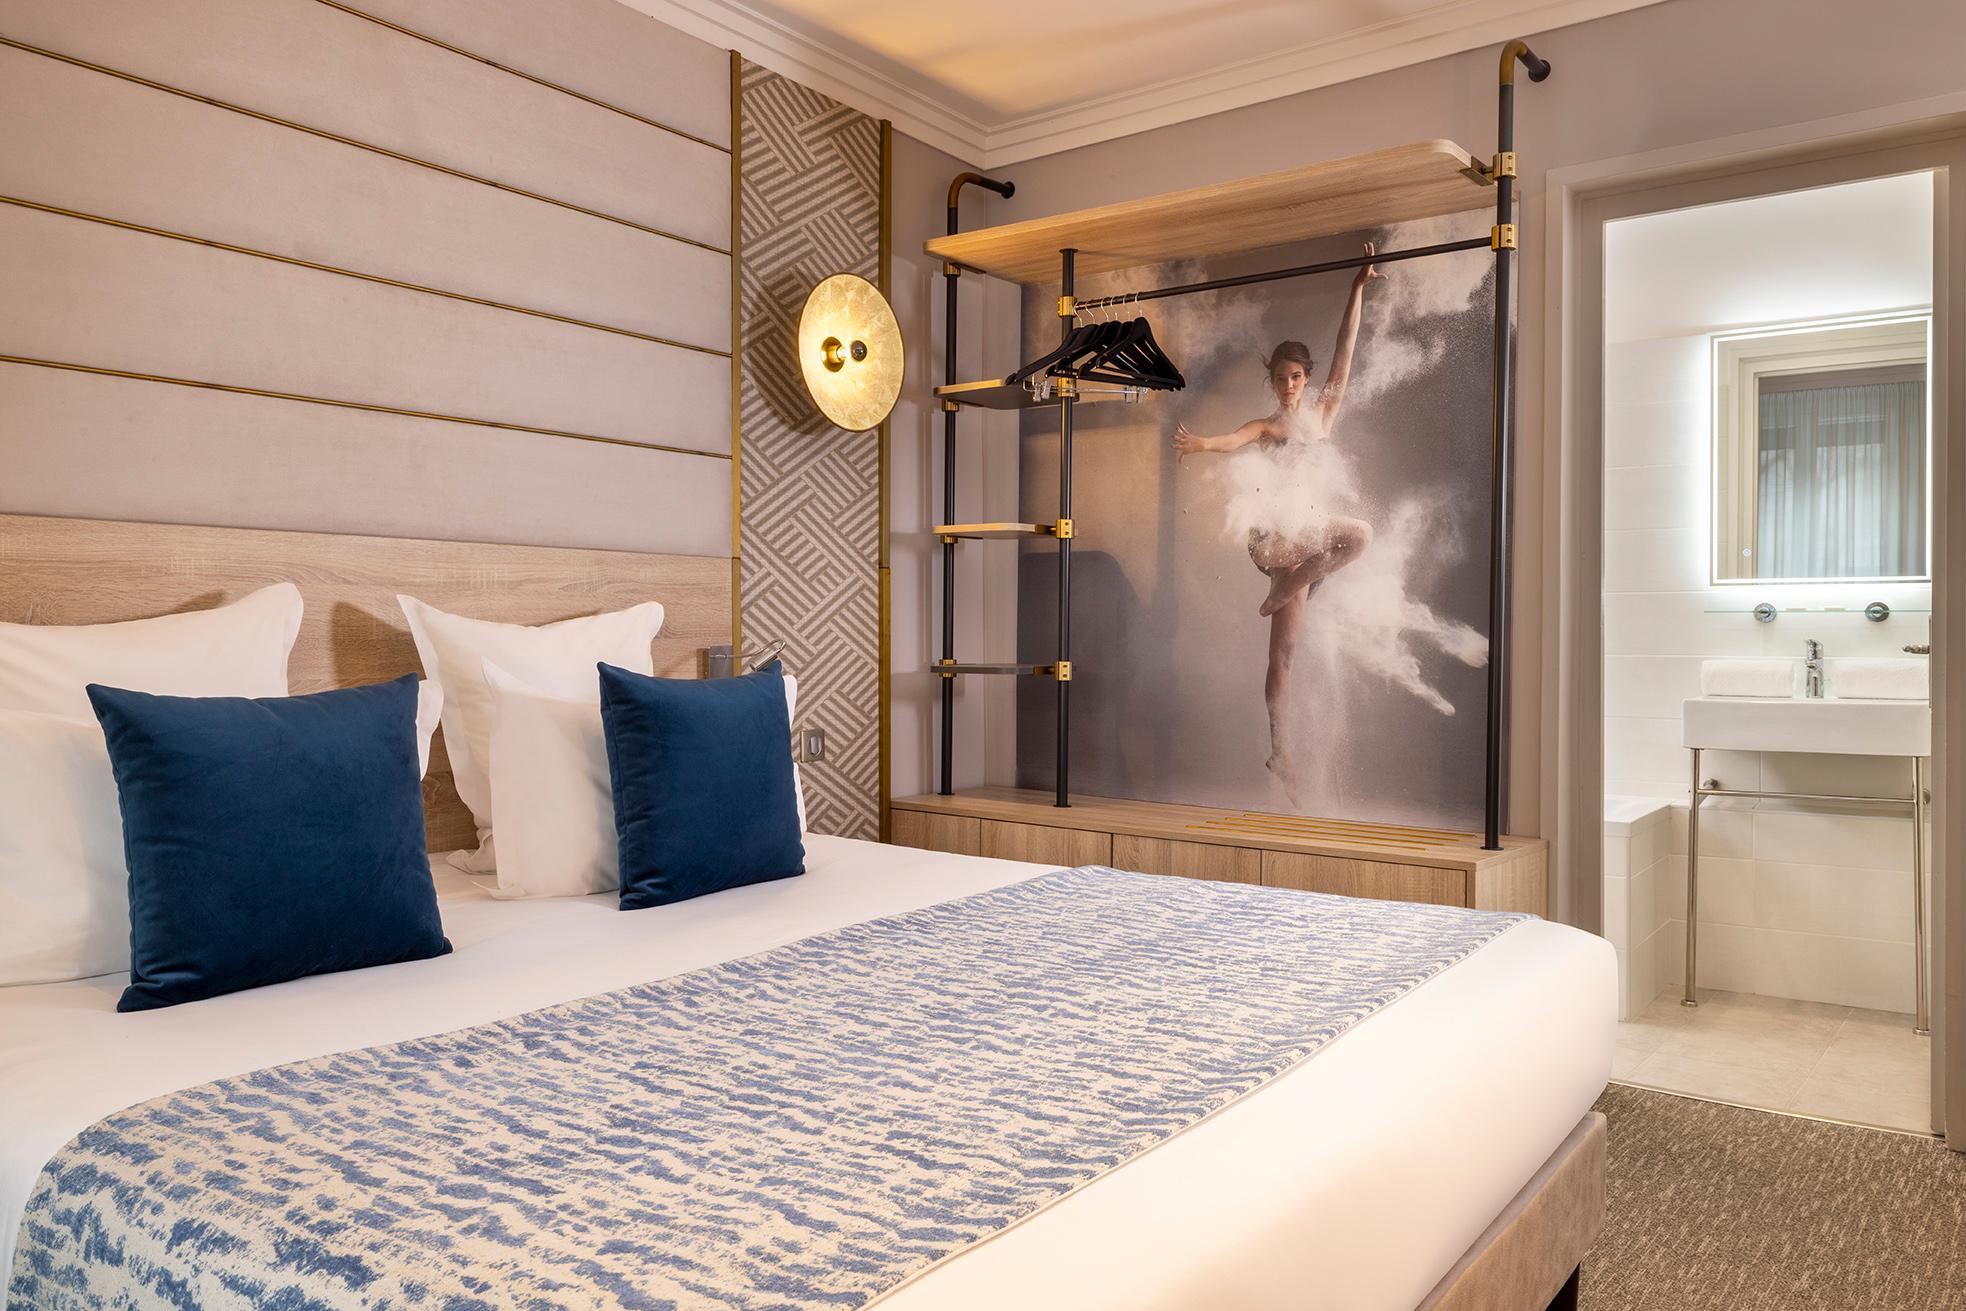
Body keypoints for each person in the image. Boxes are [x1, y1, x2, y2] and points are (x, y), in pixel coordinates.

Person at [1170, 242, 1384, 798]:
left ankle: (1280, 752)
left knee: (1282, 657)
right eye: (1280, 378)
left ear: (1306, 379)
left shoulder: (1324, 415)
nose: (1288, 386)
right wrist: (1200, 444)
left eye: (1295, 377)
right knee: (1358, 533)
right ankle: (1289, 581)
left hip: (1303, 548)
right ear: (1272, 381)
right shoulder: (1266, 427)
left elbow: (1346, 350)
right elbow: (1232, 438)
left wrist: (1357, 287)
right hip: (1272, 542)